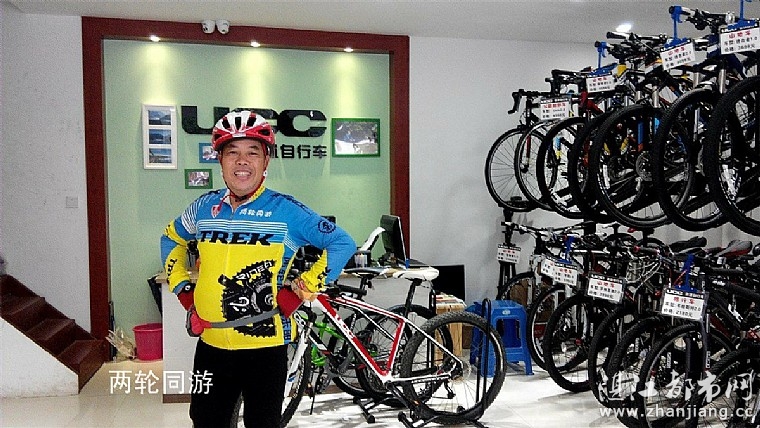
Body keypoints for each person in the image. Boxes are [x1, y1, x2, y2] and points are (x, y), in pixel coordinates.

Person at [160, 110, 356, 427]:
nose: (242, 161)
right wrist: (183, 290)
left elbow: (342, 243)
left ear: (266, 161)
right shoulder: (203, 207)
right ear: (220, 160)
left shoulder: (286, 210)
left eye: (253, 152)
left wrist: (302, 289)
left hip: (265, 350)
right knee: (205, 421)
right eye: (232, 152)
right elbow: (171, 239)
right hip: (211, 346)